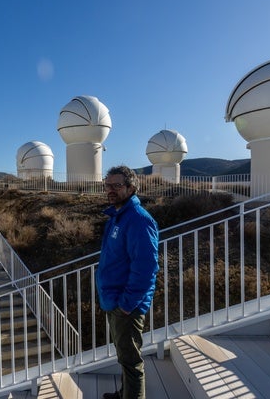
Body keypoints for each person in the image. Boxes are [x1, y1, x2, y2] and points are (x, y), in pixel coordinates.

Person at [97, 165, 159, 399]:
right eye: (107, 185)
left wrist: (126, 304)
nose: (110, 190)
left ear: (132, 188)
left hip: (127, 305)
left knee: (131, 361)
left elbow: (146, 268)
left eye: (117, 185)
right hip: (114, 299)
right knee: (124, 355)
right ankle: (125, 394)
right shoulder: (117, 216)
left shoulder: (139, 220)